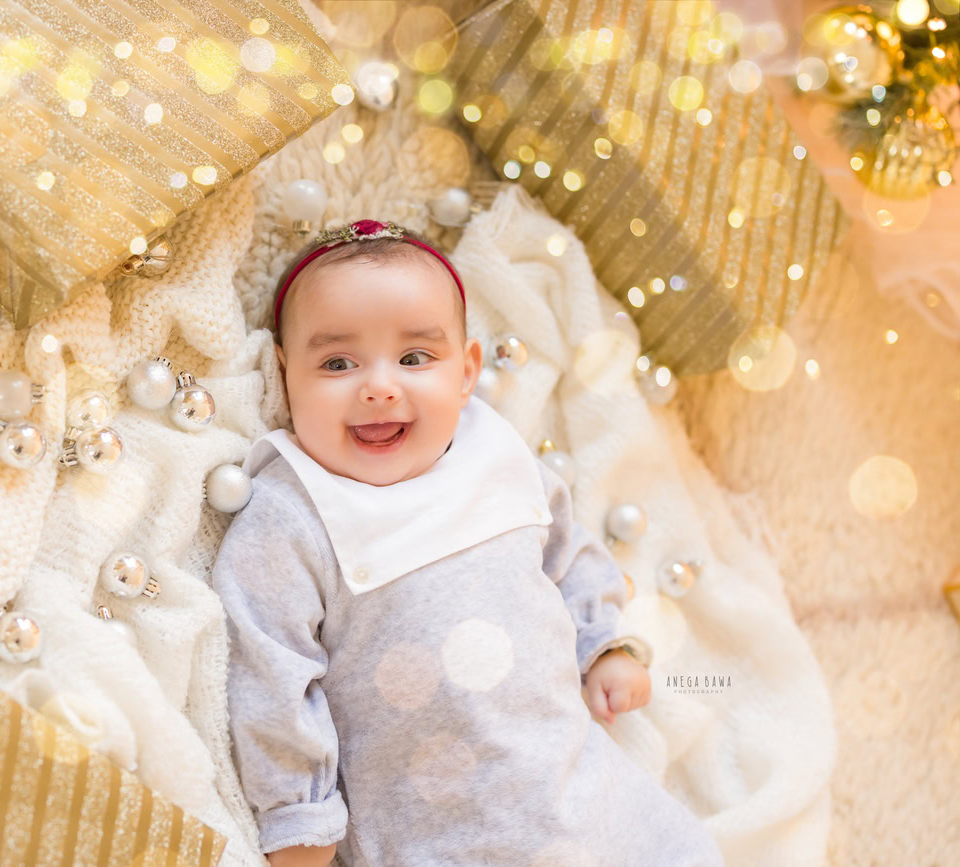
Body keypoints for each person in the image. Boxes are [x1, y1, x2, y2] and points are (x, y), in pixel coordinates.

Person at [209, 220, 724, 866]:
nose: (379, 385)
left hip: (580, 796)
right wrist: (299, 815)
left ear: (466, 371)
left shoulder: (494, 453)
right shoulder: (294, 509)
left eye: (415, 358)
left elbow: (564, 549)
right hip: (434, 829)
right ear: (286, 377)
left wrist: (604, 644)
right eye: (337, 362)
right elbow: (269, 669)